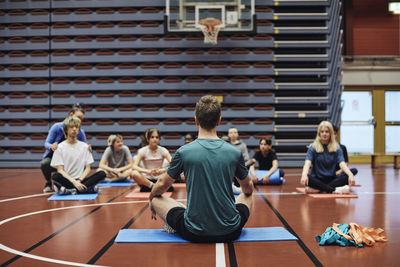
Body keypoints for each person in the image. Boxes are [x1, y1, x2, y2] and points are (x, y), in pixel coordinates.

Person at [149, 95, 254, 243]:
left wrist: (150, 199)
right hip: (231, 231)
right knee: (248, 195)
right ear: (219, 120)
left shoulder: (184, 151)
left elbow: (160, 185)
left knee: (157, 199)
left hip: (194, 232)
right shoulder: (235, 152)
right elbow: (248, 189)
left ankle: (179, 219)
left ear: (196, 120)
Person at [40, 103, 89, 193]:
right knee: (45, 163)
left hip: (70, 159)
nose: (80, 121)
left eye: (82, 119)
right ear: (71, 115)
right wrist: (51, 146)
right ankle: (48, 182)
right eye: (78, 117)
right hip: (55, 158)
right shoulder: (56, 127)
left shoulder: (80, 131)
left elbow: (84, 145)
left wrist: (88, 148)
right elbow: (46, 143)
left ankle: (74, 183)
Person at [50, 117, 106, 195]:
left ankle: (71, 190)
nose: (74, 129)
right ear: (66, 130)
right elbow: (60, 170)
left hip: (81, 180)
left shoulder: (85, 146)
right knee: (55, 176)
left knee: (102, 173)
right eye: (72, 127)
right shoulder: (59, 147)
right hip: (68, 180)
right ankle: (86, 189)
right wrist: (74, 182)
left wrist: (79, 181)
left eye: (76, 127)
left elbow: (88, 168)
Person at [300, 121, 355, 194]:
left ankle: (319, 189)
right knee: (308, 178)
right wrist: (304, 175)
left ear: (331, 134)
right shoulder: (312, 147)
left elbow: (342, 163)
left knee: (348, 176)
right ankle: (334, 190)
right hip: (317, 179)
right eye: (322, 132)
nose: (324, 134)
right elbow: (307, 163)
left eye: (327, 132)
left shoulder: (337, 148)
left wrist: (350, 174)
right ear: (319, 133)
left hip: (331, 179)